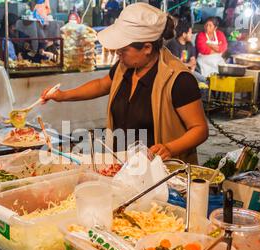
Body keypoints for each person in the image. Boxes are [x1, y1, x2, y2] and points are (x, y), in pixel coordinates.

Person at [41, 3, 208, 164]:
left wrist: (169, 148)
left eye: (123, 49)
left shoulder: (178, 79)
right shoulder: (125, 67)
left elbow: (200, 129)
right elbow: (101, 85)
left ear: (147, 48)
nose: (117, 52)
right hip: (123, 164)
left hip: (159, 171)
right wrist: (62, 96)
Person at [166, 19, 206, 83]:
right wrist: (188, 65)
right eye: (190, 33)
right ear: (184, 34)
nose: (192, 35)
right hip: (175, 73)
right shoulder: (173, 44)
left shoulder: (190, 45)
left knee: (205, 81)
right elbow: (175, 65)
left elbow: (193, 61)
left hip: (188, 72)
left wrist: (191, 68)